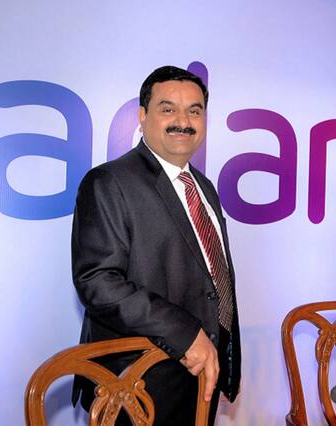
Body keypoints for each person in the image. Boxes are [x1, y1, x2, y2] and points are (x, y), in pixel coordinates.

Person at [71, 65, 241, 425]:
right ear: (142, 116)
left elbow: (213, 280)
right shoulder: (109, 182)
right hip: (138, 386)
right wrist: (185, 334)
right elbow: (98, 281)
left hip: (199, 380)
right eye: (168, 109)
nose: (183, 121)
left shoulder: (204, 188)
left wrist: (224, 356)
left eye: (194, 111)